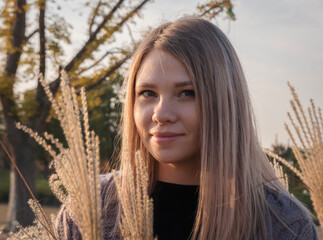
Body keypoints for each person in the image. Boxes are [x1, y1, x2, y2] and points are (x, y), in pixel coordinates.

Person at [56, 17, 318, 240]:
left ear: (225, 102)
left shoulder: (283, 225)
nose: (161, 114)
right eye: (148, 93)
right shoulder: (90, 207)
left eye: (187, 93)